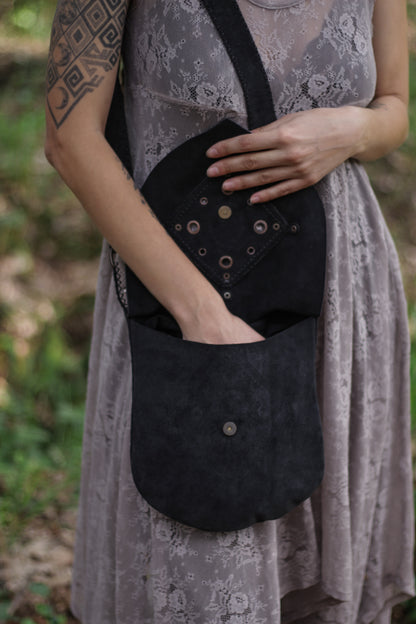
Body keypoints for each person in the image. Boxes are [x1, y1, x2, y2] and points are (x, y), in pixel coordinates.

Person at [44, 0, 414, 622]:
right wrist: (202, 316)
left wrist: (350, 132)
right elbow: (69, 138)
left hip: (341, 298)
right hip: (183, 295)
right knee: (203, 568)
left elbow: (395, 106)